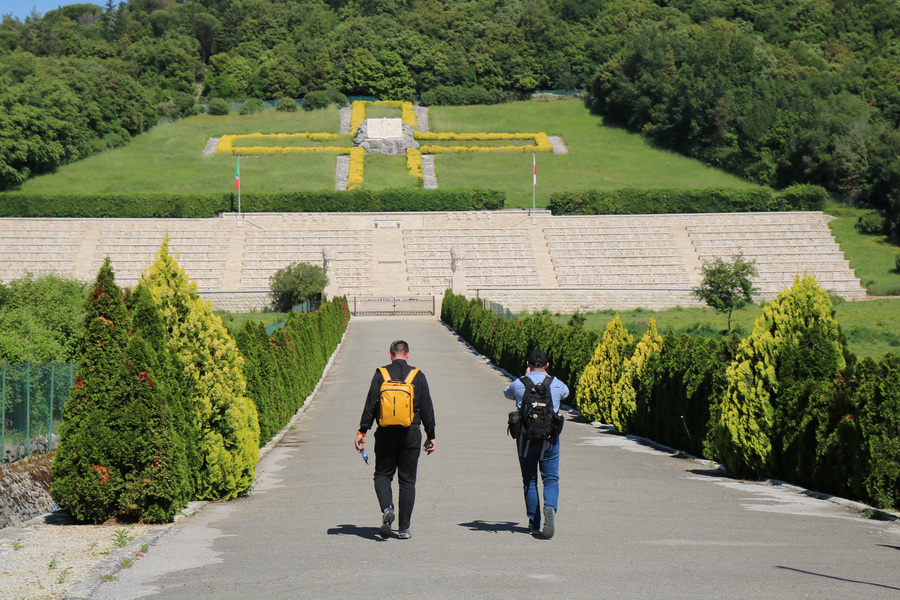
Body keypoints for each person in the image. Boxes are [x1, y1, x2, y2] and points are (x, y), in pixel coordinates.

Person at [355, 340, 436, 540]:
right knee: (407, 481)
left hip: (385, 432)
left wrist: (362, 431)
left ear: (390, 354)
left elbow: (370, 404)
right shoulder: (417, 375)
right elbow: (427, 407)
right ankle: (404, 529)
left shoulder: (381, 374)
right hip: (411, 432)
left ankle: (387, 509)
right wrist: (431, 435)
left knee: (383, 474)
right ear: (407, 354)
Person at [504, 348, 569, 539]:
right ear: (547, 365)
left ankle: (534, 523)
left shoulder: (519, 384)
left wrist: (525, 378)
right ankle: (550, 507)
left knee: (530, 481)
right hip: (549, 439)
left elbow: (507, 393)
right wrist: (548, 378)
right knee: (550, 479)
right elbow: (566, 393)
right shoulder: (555, 383)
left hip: (526, 440)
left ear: (528, 364)